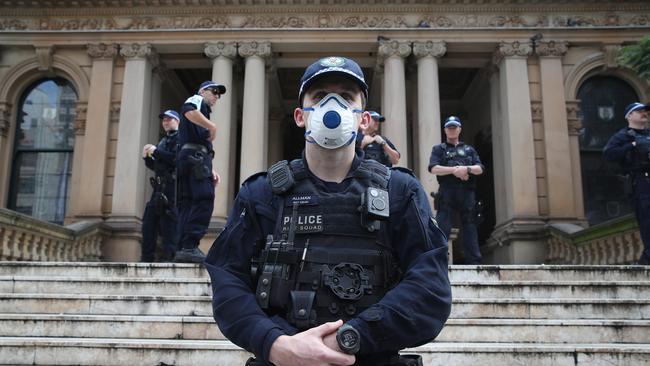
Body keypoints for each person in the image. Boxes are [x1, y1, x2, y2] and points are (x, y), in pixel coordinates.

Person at [205, 56, 451, 366]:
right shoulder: (261, 194)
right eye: (319, 97)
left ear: (363, 119)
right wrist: (276, 344)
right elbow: (228, 280)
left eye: (347, 97)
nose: (332, 105)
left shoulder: (400, 192)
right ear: (300, 116)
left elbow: (430, 289)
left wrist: (348, 338)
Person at [174, 81, 224, 263]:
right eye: (215, 92)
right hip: (195, 156)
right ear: (203, 91)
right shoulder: (197, 99)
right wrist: (212, 126)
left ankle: (183, 247)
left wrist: (210, 168)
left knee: (187, 203)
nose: (217, 96)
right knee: (203, 198)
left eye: (219, 94)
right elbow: (188, 110)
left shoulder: (201, 107)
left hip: (191, 157)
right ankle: (189, 245)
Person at [429, 116, 484, 264]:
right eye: (449, 127)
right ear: (445, 130)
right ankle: (438, 260)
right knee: (442, 227)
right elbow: (434, 168)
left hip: (467, 193)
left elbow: (480, 168)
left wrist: (466, 169)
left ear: (459, 129)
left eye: (454, 127)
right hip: (447, 192)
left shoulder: (469, 150)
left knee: (470, 227)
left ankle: (474, 262)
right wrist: (455, 170)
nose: (452, 130)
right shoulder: (439, 149)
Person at [603, 102, 650, 265]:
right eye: (639, 111)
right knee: (647, 219)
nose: (644, 113)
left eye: (645, 111)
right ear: (629, 116)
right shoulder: (623, 136)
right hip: (641, 182)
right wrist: (632, 145)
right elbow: (609, 154)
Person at [141, 110, 180, 262]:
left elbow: (175, 160)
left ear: (177, 121)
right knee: (149, 222)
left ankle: (170, 258)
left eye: (169, 119)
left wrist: (156, 151)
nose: (165, 122)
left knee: (169, 223)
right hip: (158, 187)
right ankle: (146, 258)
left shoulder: (180, 139)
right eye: (164, 119)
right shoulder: (163, 141)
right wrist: (146, 158)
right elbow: (158, 166)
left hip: (172, 187)